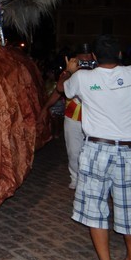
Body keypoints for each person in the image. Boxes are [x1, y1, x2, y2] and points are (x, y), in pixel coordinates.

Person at [57, 34, 131, 260]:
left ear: (94, 56)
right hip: (129, 151)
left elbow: (62, 89)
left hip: (98, 149)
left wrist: (69, 70)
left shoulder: (83, 78)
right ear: (120, 54)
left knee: (95, 209)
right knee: (130, 207)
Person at [38, 43, 95, 189]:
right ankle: (75, 177)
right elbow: (58, 91)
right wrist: (46, 107)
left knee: (91, 152)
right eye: (82, 59)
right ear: (74, 59)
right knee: (73, 152)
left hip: (94, 119)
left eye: (88, 58)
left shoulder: (99, 71)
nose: (85, 61)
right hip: (72, 119)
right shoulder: (68, 73)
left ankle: (89, 179)